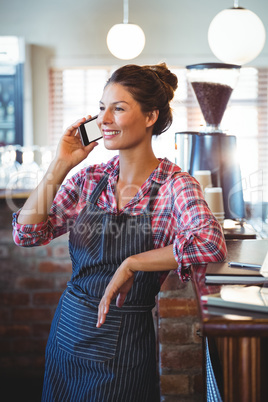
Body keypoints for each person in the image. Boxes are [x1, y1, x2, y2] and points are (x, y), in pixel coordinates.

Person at [13, 63, 227, 402]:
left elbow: (210, 243)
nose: (104, 120)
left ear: (149, 116)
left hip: (125, 348)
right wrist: (61, 164)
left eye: (118, 108)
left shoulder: (175, 186)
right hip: (67, 334)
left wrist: (132, 263)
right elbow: (26, 234)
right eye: (101, 108)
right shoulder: (89, 179)